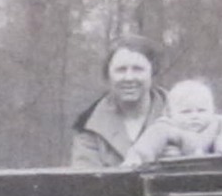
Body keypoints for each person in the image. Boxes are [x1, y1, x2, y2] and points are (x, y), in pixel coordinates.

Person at [70, 35, 168, 168]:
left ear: (153, 72)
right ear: (108, 75)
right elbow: (85, 182)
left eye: (138, 69)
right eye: (121, 70)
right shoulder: (89, 127)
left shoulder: (182, 114)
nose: (129, 77)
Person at [122, 78, 222, 166]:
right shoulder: (165, 127)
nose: (194, 116)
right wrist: (137, 157)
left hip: (213, 173)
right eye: (186, 112)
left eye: (201, 110)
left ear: (212, 110)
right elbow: (148, 143)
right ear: (170, 113)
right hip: (175, 174)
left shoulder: (219, 123)